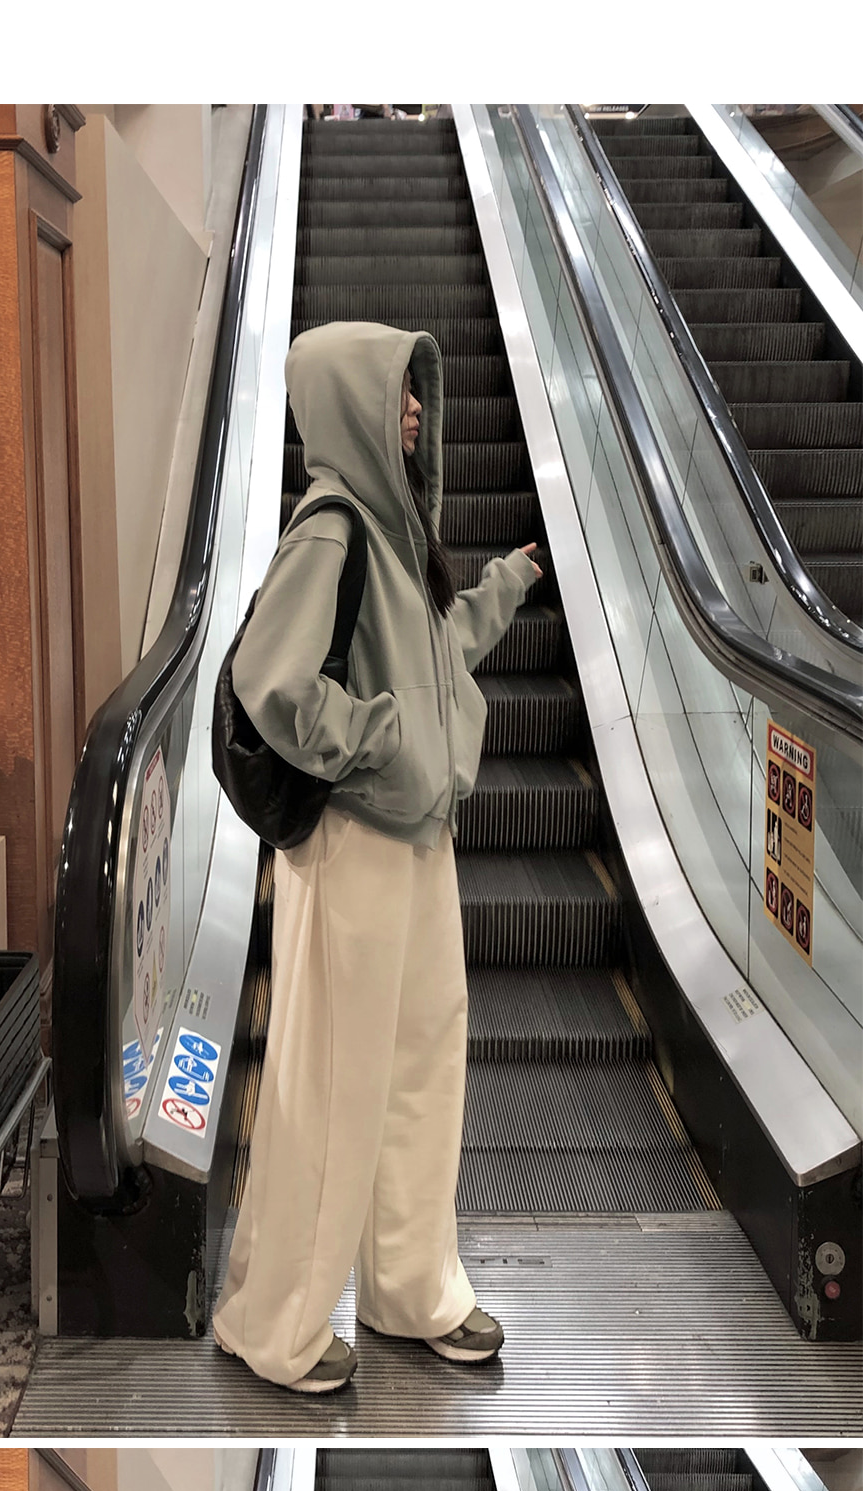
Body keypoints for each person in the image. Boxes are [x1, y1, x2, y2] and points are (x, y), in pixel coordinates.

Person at [215, 325, 542, 1402]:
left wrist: (505, 586)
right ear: (350, 404)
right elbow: (272, 680)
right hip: (356, 839)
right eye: (397, 392)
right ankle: (276, 1323)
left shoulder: (400, 534)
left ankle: (409, 1289)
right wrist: (382, 740)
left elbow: (435, 654)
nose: (414, 411)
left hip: (418, 838)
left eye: (417, 395)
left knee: (419, 1063)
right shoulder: (333, 526)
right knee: (334, 1081)